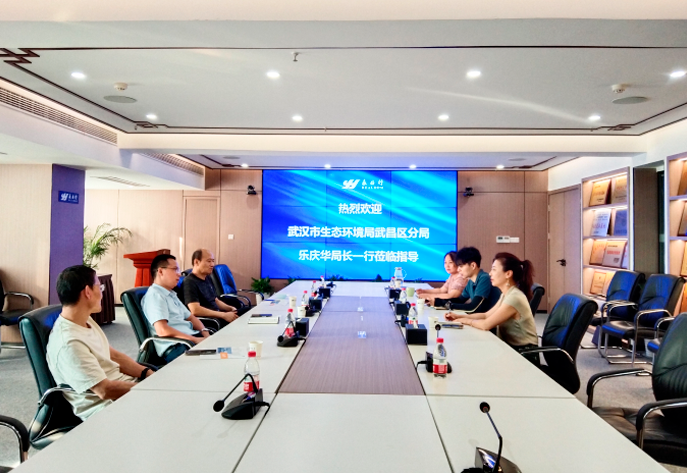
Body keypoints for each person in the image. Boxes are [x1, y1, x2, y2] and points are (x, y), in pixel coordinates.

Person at [47, 265, 154, 420]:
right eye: (100, 286)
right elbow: (104, 391)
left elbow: (113, 355)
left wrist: (147, 373)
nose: (102, 293)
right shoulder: (69, 342)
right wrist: (149, 389)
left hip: (127, 392)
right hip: (108, 409)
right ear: (88, 292)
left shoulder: (84, 319)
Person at [448, 252, 538, 362]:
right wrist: (459, 316)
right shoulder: (506, 294)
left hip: (524, 355)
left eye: (494, 270)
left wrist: (465, 321)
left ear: (508, 274)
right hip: (511, 349)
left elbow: (486, 324)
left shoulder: (514, 297)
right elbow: (486, 315)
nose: (490, 274)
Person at [142, 254, 210, 363]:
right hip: (177, 346)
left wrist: (206, 334)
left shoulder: (170, 294)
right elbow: (162, 330)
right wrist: (195, 340)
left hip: (189, 339)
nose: (179, 274)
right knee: (214, 362)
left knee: (223, 352)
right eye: (175, 269)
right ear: (160, 271)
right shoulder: (155, 296)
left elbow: (191, 318)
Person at [182, 248, 238, 328]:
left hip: (218, 316)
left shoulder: (207, 277)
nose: (212, 265)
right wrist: (223, 315)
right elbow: (195, 310)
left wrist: (230, 308)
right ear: (196, 262)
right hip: (211, 322)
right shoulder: (189, 282)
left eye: (213, 261)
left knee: (245, 312)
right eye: (209, 261)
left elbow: (215, 300)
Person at [444, 247, 501, 317]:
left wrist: (448, 305)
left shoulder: (484, 278)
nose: (458, 270)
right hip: (481, 318)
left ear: (473, 265)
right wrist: (438, 302)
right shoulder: (471, 281)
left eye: (461, 266)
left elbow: (473, 307)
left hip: (492, 320)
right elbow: (460, 300)